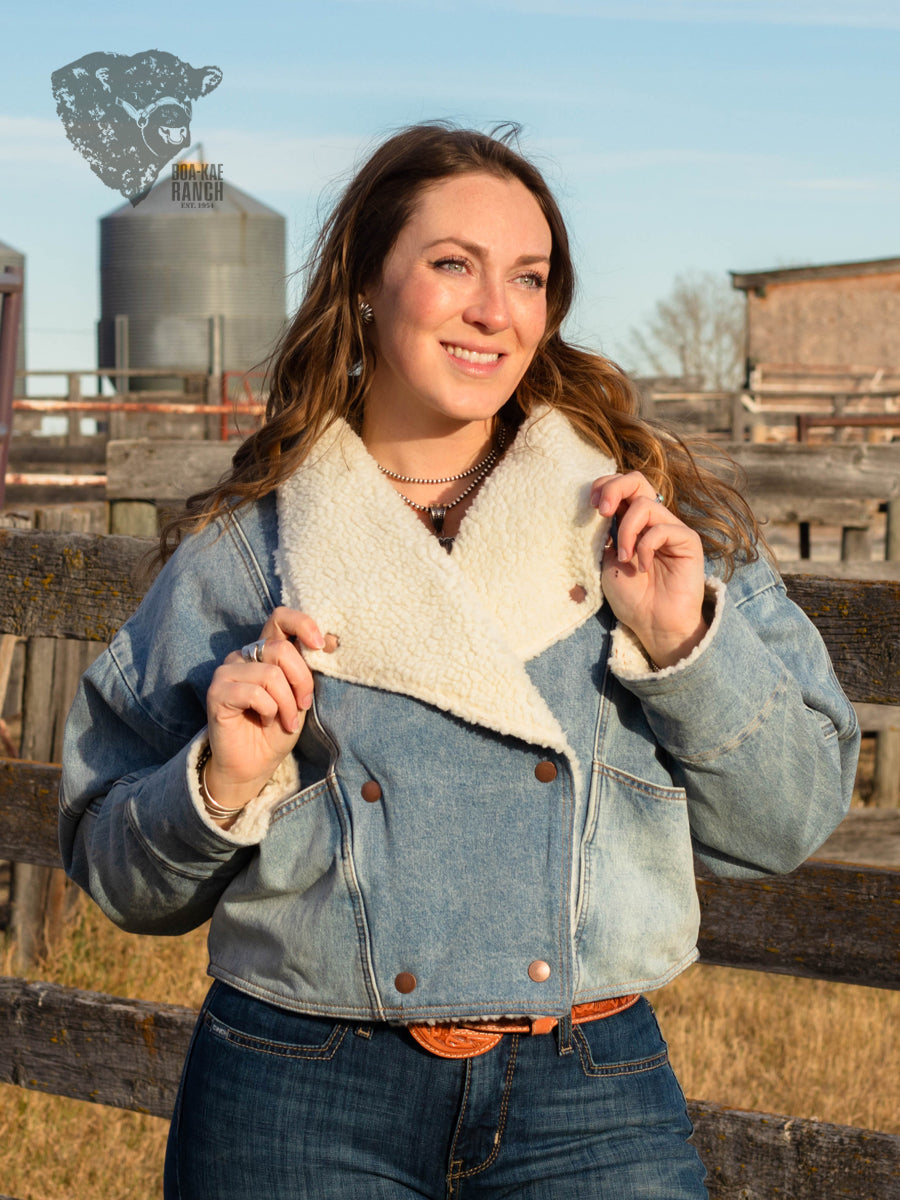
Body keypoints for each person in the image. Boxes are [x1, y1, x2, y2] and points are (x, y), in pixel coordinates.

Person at [60, 123, 859, 1200]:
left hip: (588, 1097)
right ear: (364, 292)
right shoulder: (252, 552)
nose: (497, 309)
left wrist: (687, 646)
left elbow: (790, 821)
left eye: (528, 277)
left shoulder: (638, 525)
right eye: (452, 266)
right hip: (296, 1092)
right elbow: (119, 880)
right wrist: (220, 780)